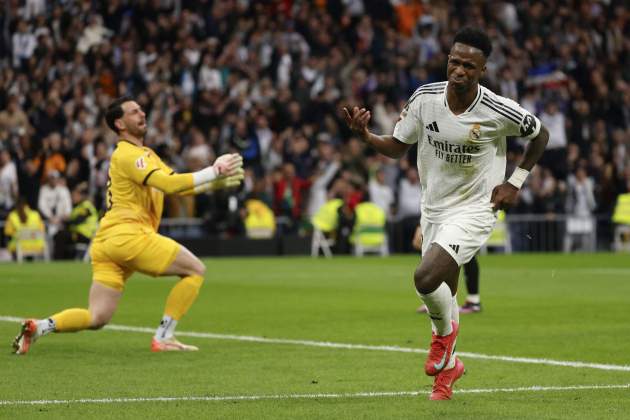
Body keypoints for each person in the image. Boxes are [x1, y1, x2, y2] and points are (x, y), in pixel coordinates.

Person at [343, 27, 549, 400]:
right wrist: (366, 137)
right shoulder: (424, 98)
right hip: (434, 208)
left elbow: (541, 135)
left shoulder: (497, 109)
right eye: (455, 61)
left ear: (482, 70)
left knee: (424, 278)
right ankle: (449, 371)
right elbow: (396, 146)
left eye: (469, 66)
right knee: (445, 292)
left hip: (476, 207)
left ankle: (442, 339)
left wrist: (515, 182)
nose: (459, 70)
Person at [13, 96, 245, 355]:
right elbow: (171, 185)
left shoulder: (146, 155)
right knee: (195, 271)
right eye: (135, 112)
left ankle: (39, 326)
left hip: (107, 243)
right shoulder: (128, 154)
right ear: (120, 124)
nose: (142, 114)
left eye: (142, 109)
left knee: (97, 317)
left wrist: (216, 182)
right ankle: (164, 337)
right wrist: (214, 170)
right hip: (130, 235)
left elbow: (176, 185)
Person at [413, 226, 482, 314]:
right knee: (437, 250)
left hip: (458, 218)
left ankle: (472, 301)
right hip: (441, 218)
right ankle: (439, 302)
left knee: (462, 250)